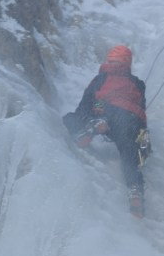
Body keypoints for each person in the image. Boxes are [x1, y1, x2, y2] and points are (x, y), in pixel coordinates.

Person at [63, 45, 150, 218]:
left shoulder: (101, 78)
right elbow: (142, 107)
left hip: (105, 109)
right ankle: (135, 190)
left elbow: (86, 103)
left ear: (109, 60)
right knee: (130, 154)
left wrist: (85, 118)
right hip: (134, 121)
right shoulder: (138, 83)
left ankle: (93, 126)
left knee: (72, 116)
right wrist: (144, 148)